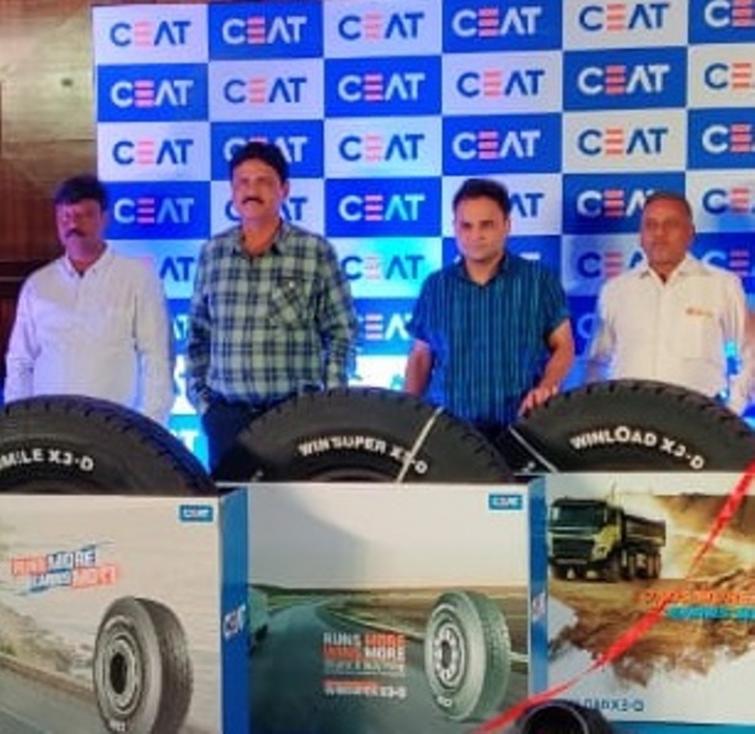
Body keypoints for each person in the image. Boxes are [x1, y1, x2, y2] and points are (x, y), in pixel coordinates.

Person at [187, 141, 357, 471]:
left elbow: (342, 333)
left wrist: (327, 406)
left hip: (296, 418)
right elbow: (198, 335)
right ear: (232, 191)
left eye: (263, 181)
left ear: (284, 190)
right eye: (242, 182)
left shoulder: (314, 251)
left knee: (298, 504)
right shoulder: (212, 253)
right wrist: (204, 404)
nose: (251, 191)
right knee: (232, 504)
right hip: (226, 420)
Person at [404, 178, 575, 438]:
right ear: (454, 227)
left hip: (523, 429)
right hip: (448, 435)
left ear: (507, 225)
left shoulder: (539, 281)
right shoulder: (435, 286)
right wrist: (407, 419)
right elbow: (420, 357)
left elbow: (564, 346)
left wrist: (546, 388)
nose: (476, 235)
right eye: (466, 226)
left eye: (486, 225)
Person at [5, 174, 174, 423]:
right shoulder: (37, 285)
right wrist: (18, 424)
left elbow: (157, 357)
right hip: (49, 426)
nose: (73, 224)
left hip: (116, 429)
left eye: (84, 215)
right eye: (65, 216)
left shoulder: (138, 278)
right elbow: (20, 361)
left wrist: (150, 426)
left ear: (104, 218)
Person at [586, 191, 753, 414]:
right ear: (640, 236)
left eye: (671, 224)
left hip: (699, 420)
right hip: (629, 419)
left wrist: (731, 409)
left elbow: (752, 350)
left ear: (690, 233)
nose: (659, 233)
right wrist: (599, 413)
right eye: (650, 225)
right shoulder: (615, 291)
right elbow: (596, 363)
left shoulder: (722, 285)